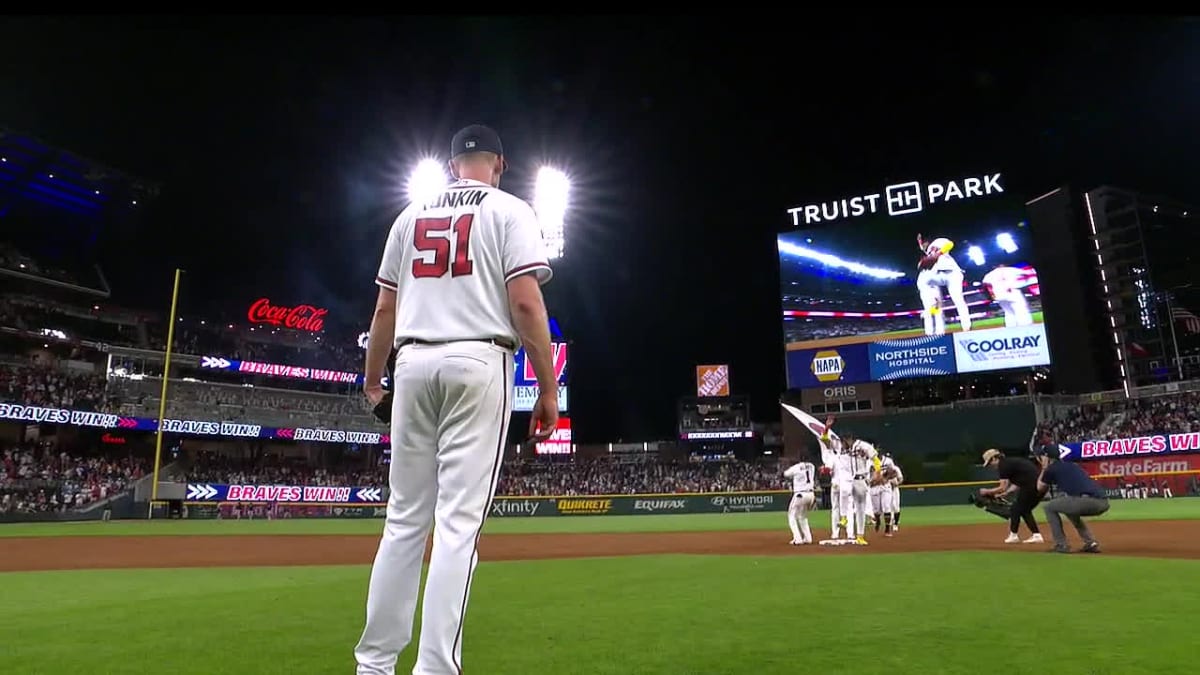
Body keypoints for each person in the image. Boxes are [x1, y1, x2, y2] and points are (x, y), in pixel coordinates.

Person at [354, 123, 559, 675]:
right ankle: (435, 668)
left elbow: (383, 313)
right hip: (477, 359)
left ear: (450, 166)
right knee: (457, 527)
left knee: (403, 521)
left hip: (412, 364)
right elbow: (526, 306)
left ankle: (373, 665)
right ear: (500, 164)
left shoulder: (409, 216)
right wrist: (546, 389)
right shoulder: (511, 209)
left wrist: (375, 382)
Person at [1034, 448, 1110, 553]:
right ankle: (1090, 542)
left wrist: (1044, 468)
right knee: (1069, 509)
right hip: (1103, 502)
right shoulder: (1072, 465)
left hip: (1085, 501)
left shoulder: (1051, 469)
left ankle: (1061, 545)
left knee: (1049, 507)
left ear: (1046, 457)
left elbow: (1039, 487)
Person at [979, 448, 1044, 544]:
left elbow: (1002, 487)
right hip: (1038, 486)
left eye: (989, 463)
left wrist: (987, 491)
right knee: (1023, 510)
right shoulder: (1009, 463)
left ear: (994, 458)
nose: (990, 466)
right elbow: (1017, 483)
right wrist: (1006, 493)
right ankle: (1036, 535)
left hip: (1031, 486)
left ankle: (1014, 535)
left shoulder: (1003, 465)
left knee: (1015, 509)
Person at [915, 233, 972, 336]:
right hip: (937, 275)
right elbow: (922, 249)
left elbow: (950, 244)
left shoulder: (938, 241)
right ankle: (932, 304)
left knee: (958, 299)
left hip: (952, 273)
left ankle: (966, 327)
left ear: (928, 241)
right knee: (922, 280)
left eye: (924, 242)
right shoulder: (927, 251)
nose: (923, 245)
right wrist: (919, 242)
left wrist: (939, 253)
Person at [783, 454, 816, 545]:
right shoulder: (812, 466)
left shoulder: (796, 467)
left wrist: (790, 465)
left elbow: (786, 474)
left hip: (800, 494)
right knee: (802, 516)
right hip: (811, 494)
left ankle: (798, 539)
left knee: (791, 516)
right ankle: (808, 538)